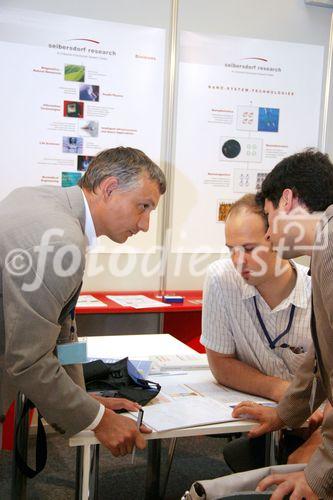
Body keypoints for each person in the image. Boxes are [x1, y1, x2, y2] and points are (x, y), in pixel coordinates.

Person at [0, 146, 166, 457]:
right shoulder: (61, 239)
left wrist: (84, 399)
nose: (145, 224)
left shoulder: (46, 202)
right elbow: (29, 360)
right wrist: (99, 420)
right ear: (110, 188)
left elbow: (64, 330)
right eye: (143, 206)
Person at [232, 149, 333, 499]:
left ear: (287, 200)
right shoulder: (324, 247)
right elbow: (320, 357)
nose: (271, 234)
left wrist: (320, 476)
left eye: (271, 216)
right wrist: (285, 415)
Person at [201, 193, 320, 470]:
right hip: (273, 418)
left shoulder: (318, 288)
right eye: (231, 248)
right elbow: (220, 363)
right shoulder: (221, 278)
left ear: (276, 237)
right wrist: (282, 391)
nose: (237, 261)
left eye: (249, 248)